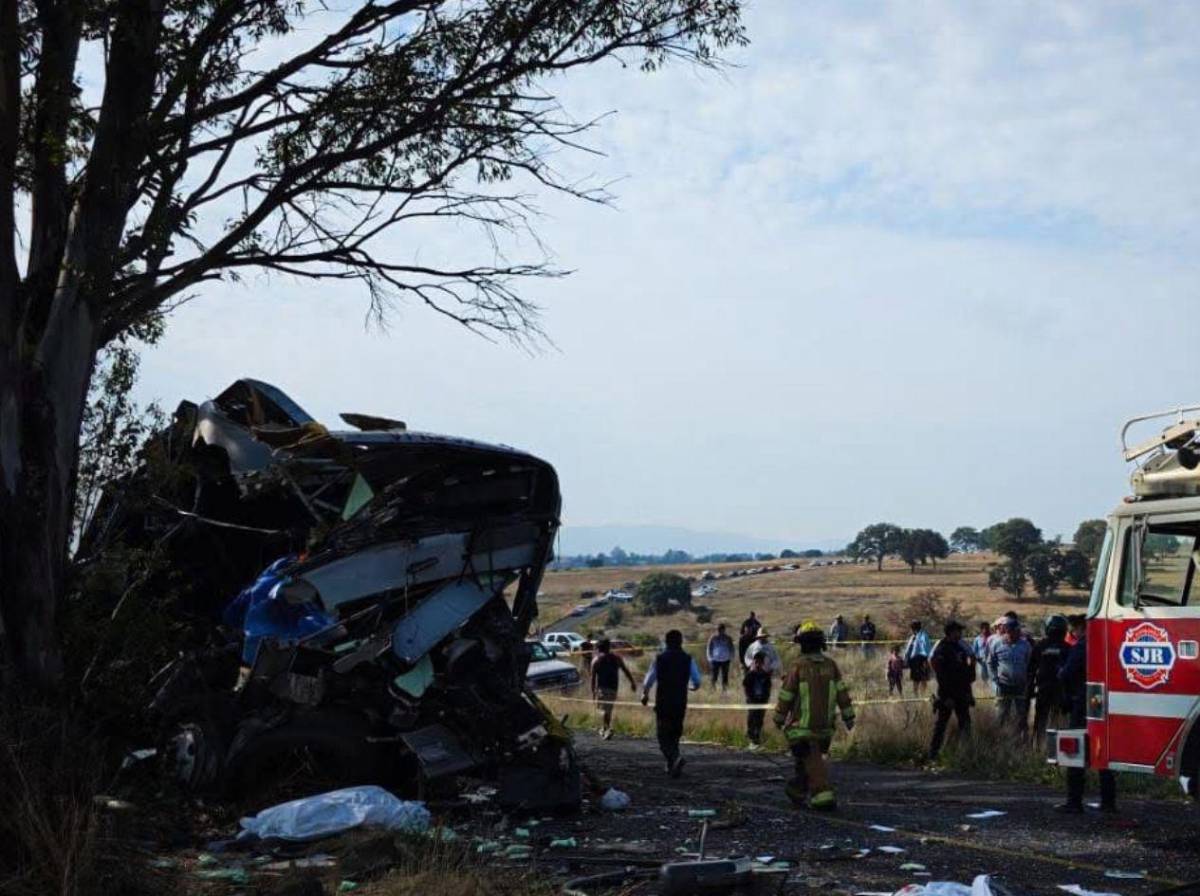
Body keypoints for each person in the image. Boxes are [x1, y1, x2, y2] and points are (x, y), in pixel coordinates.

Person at [774, 621, 855, 810]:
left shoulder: (798, 667)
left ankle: (822, 796)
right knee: (810, 761)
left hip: (801, 730)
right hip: (825, 728)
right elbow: (843, 694)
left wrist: (778, 718)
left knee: (810, 761)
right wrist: (848, 717)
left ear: (802, 643)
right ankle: (797, 791)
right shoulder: (831, 665)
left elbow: (786, 696)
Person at [1058, 614, 1116, 814]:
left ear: (1080, 628)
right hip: (1103, 700)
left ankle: (1074, 801)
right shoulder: (1106, 644)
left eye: (1073, 630)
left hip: (1083, 701)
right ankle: (1108, 801)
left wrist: (1061, 672)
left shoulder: (1082, 646)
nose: (1072, 634)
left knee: (1075, 750)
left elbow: (1067, 673)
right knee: (1103, 750)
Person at [640, 629, 702, 777]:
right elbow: (697, 681)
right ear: (681, 642)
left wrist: (645, 694)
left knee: (662, 736)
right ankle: (672, 764)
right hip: (680, 702)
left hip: (663, 702)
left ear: (666, 642)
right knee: (675, 733)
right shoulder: (688, 659)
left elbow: (649, 680)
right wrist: (692, 687)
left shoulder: (660, 659)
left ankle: (674, 758)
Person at [929, 620, 975, 760]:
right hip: (947, 694)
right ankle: (933, 754)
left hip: (961, 692)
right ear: (950, 632)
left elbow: (966, 673)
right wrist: (945, 697)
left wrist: (969, 693)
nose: (960, 633)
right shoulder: (942, 649)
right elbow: (941, 675)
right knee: (941, 725)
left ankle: (967, 755)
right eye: (957, 631)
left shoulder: (960, 648)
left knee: (965, 724)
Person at [1028, 615, 1070, 742]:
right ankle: (1057, 746)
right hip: (1061, 690)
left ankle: (1038, 745)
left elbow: (1030, 671)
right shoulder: (1067, 648)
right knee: (1059, 721)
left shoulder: (1040, 646)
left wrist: (1029, 689)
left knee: (1040, 719)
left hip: (1043, 689)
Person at [989, 617, 1032, 733]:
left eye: (1018, 631)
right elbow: (990, 662)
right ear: (1007, 631)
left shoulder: (1025, 645)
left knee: (1021, 714)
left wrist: (1024, 677)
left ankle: (1021, 740)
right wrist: (995, 679)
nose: (1017, 633)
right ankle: (1000, 739)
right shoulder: (996, 644)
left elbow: (1028, 661)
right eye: (1014, 631)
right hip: (1003, 685)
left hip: (1020, 685)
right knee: (1002, 714)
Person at [591, 638, 637, 740]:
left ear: (598, 648)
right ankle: (605, 728)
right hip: (613, 688)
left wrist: (593, 691)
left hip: (602, 688)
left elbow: (593, 678)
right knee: (608, 709)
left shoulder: (596, 660)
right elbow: (626, 670)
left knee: (602, 709)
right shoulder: (617, 658)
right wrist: (632, 682)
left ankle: (606, 729)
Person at [743, 652, 772, 747]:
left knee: (760, 718)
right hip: (752, 699)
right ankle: (750, 735)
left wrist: (765, 698)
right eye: (756, 662)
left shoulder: (765, 675)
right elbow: (746, 685)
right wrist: (750, 697)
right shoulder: (750, 674)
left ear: (763, 663)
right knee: (752, 716)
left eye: (760, 662)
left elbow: (768, 688)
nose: (758, 664)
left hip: (762, 700)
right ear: (754, 662)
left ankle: (757, 735)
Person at [903, 620, 933, 695]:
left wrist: (926, 661)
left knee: (923, 679)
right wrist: (906, 659)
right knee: (915, 679)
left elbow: (926, 649)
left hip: (922, 660)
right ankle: (915, 695)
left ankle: (923, 694)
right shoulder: (913, 637)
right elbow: (909, 650)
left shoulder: (923, 636)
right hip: (914, 661)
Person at [706, 623, 735, 691]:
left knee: (725, 676)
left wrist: (732, 657)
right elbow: (709, 648)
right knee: (714, 676)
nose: (720, 631)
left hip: (726, 660)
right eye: (718, 630)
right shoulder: (713, 638)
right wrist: (709, 658)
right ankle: (712, 689)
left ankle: (725, 690)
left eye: (721, 630)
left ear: (724, 630)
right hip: (715, 660)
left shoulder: (728, 638)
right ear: (717, 630)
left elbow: (732, 648)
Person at [971, 621, 992, 685]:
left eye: (987, 628)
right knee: (982, 677)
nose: (986, 630)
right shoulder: (977, 639)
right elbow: (974, 651)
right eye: (984, 628)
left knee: (991, 677)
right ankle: (984, 689)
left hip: (991, 661)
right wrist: (977, 657)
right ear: (981, 629)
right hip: (981, 662)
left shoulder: (993, 638)